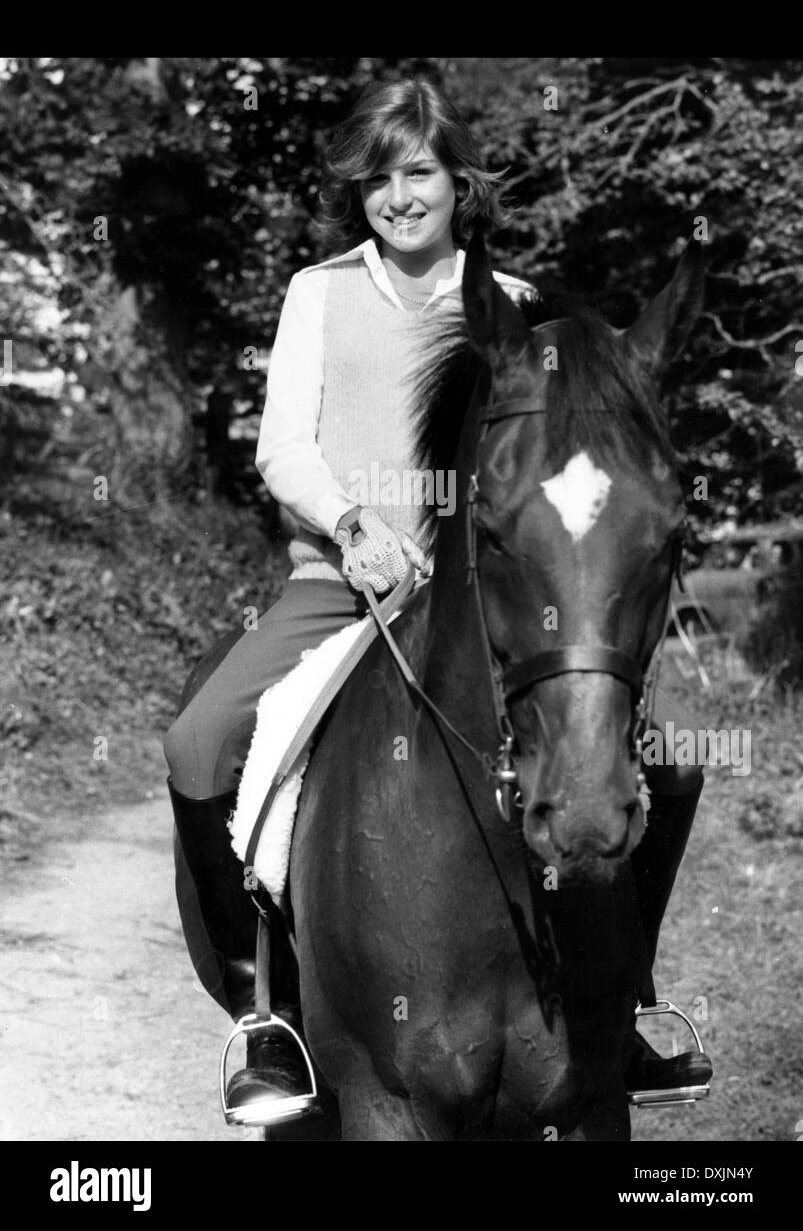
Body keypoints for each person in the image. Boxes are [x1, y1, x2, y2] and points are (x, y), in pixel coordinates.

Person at [163, 75, 710, 1128]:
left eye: (417, 172)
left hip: (479, 593)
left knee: (674, 757)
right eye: (377, 179)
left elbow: (562, 463)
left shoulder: (516, 303)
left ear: (460, 181)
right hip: (339, 582)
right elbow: (281, 442)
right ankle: (261, 1016)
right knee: (197, 741)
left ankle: (623, 1003)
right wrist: (353, 527)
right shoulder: (317, 293)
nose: (398, 195)